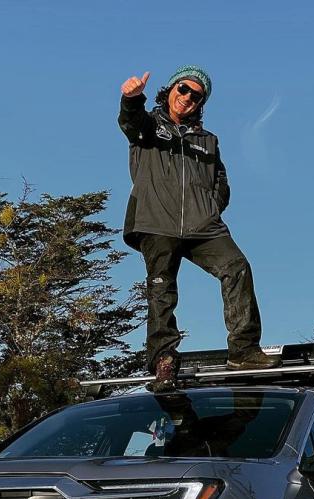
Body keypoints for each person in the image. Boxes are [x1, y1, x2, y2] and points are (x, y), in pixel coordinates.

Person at [118, 65, 281, 391]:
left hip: (202, 226)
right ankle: (163, 359)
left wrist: (209, 208)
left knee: (236, 267)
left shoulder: (208, 141)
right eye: (184, 89)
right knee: (162, 288)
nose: (188, 98)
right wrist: (130, 99)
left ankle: (244, 349)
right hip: (156, 222)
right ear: (171, 90)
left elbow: (221, 183)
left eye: (196, 95)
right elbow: (130, 122)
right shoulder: (149, 127)